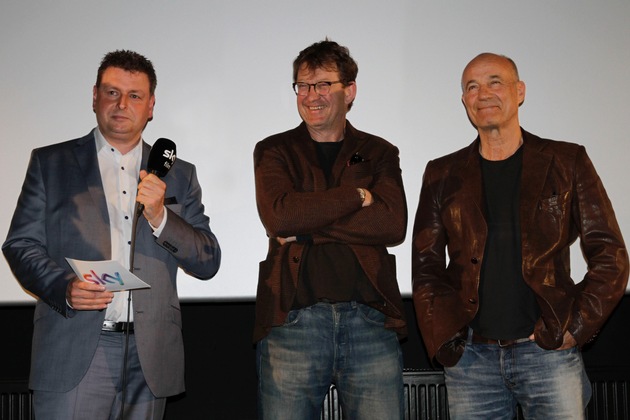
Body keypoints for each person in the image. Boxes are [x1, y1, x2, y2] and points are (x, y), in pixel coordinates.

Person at [2, 50, 221, 420]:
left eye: (134, 95)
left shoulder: (179, 174)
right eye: (112, 92)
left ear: (150, 106)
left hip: (151, 354)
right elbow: (21, 244)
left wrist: (161, 216)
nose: (122, 104)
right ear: (94, 97)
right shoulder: (50, 163)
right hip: (74, 347)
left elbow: (207, 260)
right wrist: (63, 288)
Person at [411, 52, 629, 419]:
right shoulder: (442, 173)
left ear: (520, 91)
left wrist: (575, 327)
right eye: (472, 87)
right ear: (464, 101)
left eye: (495, 82)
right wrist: (444, 336)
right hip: (471, 361)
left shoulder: (566, 161)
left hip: (549, 355)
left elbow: (611, 255)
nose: (483, 94)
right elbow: (425, 266)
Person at [253, 39, 408, 420]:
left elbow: (392, 224)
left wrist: (309, 230)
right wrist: (358, 196)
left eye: (323, 84)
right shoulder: (273, 150)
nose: (311, 96)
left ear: (349, 91)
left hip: (370, 321)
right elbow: (280, 218)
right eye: (303, 86)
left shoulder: (379, 152)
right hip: (293, 322)